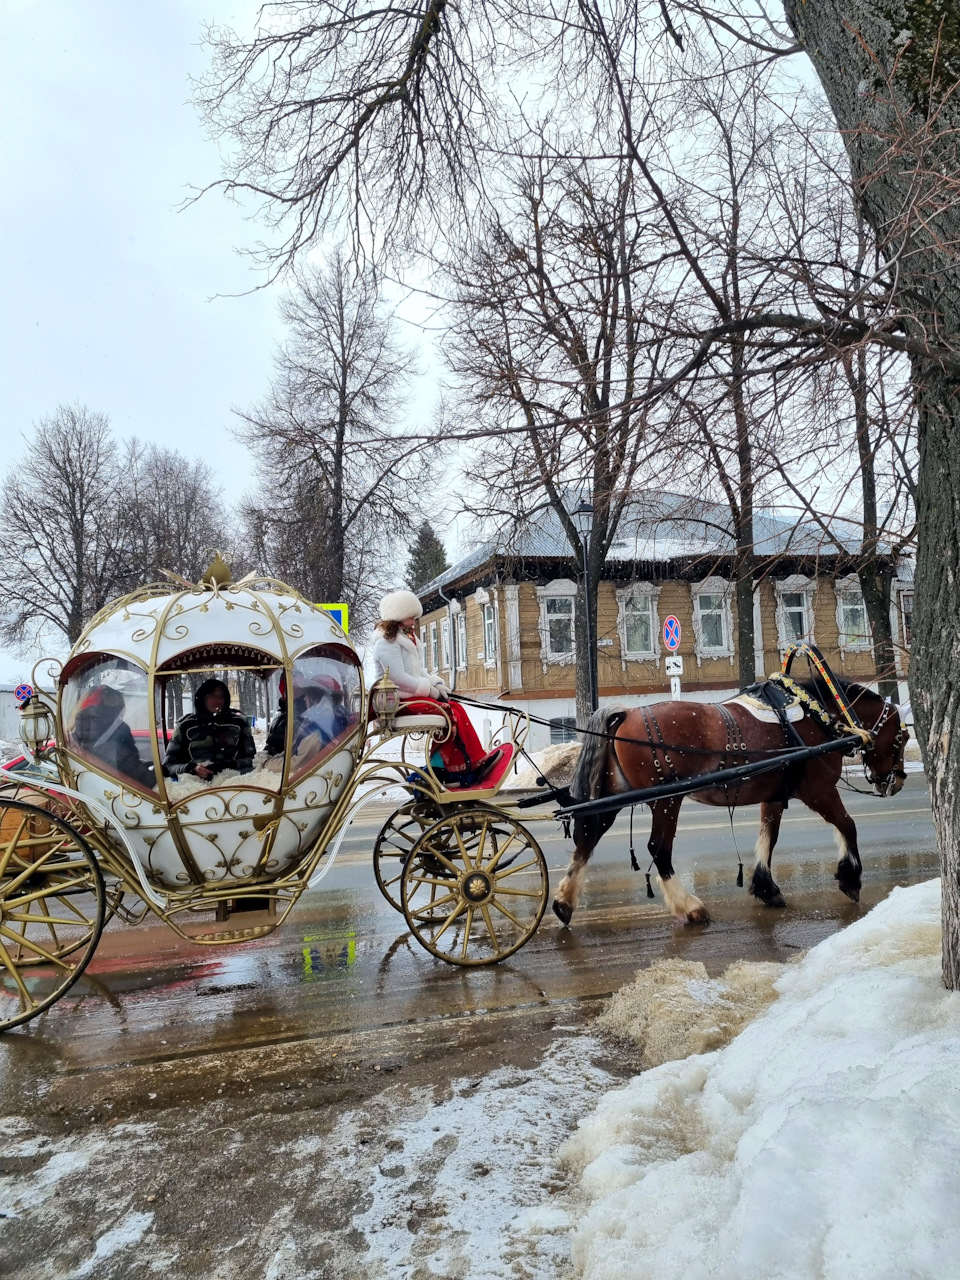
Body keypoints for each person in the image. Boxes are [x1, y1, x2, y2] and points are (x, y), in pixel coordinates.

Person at [372, 590, 490, 783]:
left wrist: (437, 685)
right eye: (411, 618)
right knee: (449, 712)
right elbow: (398, 677)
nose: (414, 622)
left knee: (455, 708)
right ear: (399, 617)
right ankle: (455, 765)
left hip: (409, 696)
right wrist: (429, 690)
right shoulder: (386, 643)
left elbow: (418, 673)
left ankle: (452, 764)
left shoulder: (407, 640)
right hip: (395, 701)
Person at [163, 678, 256, 781]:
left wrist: (229, 766)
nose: (218, 700)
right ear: (202, 698)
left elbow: (254, 760)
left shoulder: (239, 723)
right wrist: (191, 768)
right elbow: (168, 766)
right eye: (212, 696)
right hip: (193, 786)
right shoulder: (185, 725)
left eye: (221, 696)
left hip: (234, 781)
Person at [71, 686, 155, 790]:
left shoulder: (74, 728)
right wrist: (157, 773)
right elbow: (134, 772)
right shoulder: (118, 729)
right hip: (117, 796)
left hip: (86, 790)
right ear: (117, 706)